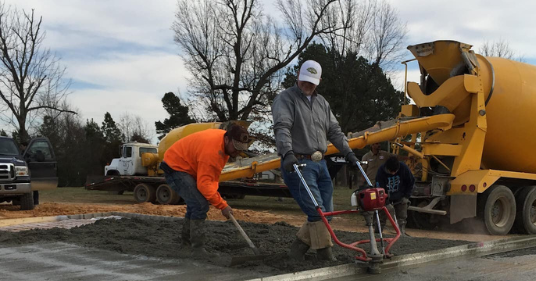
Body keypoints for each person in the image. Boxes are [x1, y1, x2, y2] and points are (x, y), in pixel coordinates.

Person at [271, 60, 360, 261]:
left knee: (326, 212)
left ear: (318, 81)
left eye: (312, 82)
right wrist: (287, 153)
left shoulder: (322, 103)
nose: (307, 85)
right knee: (317, 211)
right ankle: (325, 255)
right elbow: (282, 126)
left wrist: (349, 153)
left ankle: (296, 252)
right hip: (298, 163)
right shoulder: (286, 99)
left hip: (320, 163)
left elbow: (335, 131)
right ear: (298, 77)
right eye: (304, 81)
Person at [160, 123, 250, 256]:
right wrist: (222, 205)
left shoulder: (224, 146)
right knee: (200, 205)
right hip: (175, 167)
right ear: (227, 139)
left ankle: (186, 245)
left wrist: (217, 198)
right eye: (235, 147)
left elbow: (212, 178)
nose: (237, 151)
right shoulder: (212, 151)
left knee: (194, 205)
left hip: (185, 166)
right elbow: (204, 184)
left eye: (240, 149)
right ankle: (197, 249)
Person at [375, 155, 415, 235]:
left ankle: (401, 233)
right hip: (386, 195)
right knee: (381, 216)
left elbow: (411, 182)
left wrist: (406, 196)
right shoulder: (381, 171)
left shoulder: (404, 168)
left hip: (400, 196)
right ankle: (377, 233)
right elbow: (379, 189)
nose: (393, 173)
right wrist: (386, 203)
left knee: (402, 216)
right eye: (391, 171)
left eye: (395, 171)